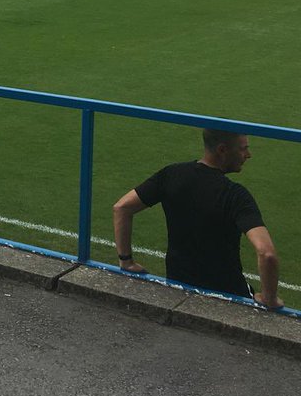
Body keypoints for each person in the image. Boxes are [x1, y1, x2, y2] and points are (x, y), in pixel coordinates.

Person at [112, 130, 282, 307]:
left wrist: (126, 261)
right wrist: (269, 298)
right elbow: (267, 253)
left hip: (177, 287)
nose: (248, 155)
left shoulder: (171, 175)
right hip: (228, 295)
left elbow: (122, 208)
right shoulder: (235, 195)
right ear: (222, 150)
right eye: (243, 149)